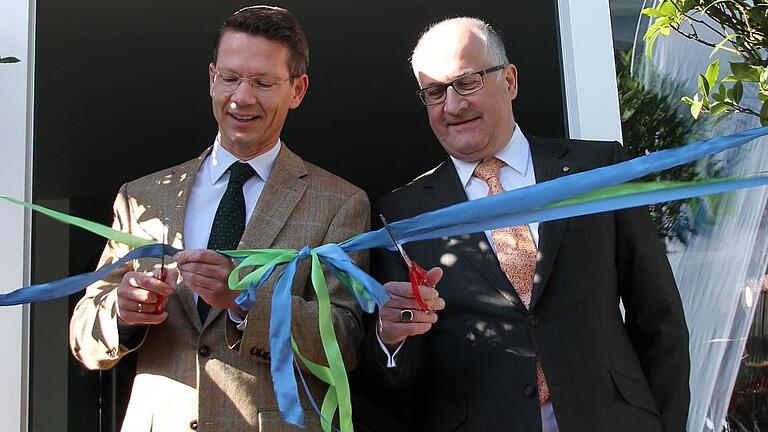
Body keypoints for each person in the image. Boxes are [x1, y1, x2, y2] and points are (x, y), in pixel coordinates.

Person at [356, 17, 690, 432]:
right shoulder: (403, 214)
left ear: (509, 80)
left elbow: (659, 319)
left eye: (467, 82)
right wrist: (391, 337)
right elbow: (399, 379)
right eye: (435, 92)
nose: (453, 105)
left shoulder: (598, 169)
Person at [69, 6, 369, 431]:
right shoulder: (141, 198)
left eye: (263, 82)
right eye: (230, 78)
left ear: (297, 90)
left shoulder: (339, 202)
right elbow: (84, 335)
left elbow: (345, 340)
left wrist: (244, 301)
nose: (241, 97)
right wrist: (121, 312)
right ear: (212, 79)